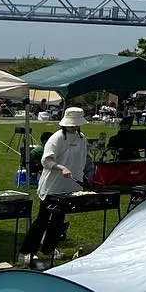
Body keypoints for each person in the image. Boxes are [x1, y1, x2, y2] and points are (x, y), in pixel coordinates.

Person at [21, 107, 89, 268]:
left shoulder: (81, 138)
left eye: (76, 125)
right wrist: (61, 167)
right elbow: (46, 161)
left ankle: (49, 248)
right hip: (52, 186)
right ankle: (27, 252)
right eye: (72, 124)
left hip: (70, 186)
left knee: (58, 221)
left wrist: (81, 177)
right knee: (42, 220)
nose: (74, 127)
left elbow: (82, 160)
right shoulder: (57, 138)